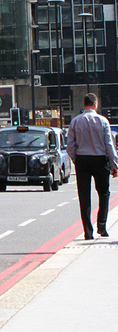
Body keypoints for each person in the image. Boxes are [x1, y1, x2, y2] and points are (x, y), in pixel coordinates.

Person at [67, 93, 118, 239]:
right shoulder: (103, 121)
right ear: (95, 104)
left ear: (84, 105)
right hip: (100, 160)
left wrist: (76, 159)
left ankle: (88, 232)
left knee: (84, 195)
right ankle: (101, 226)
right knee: (104, 193)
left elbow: (70, 146)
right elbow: (109, 145)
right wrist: (114, 164)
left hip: (82, 159)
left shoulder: (75, 121)